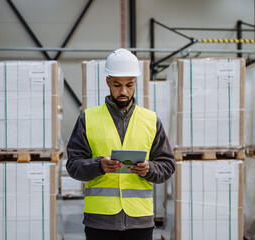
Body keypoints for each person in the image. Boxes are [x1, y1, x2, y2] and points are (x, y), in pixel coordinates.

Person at [66, 48, 175, 240]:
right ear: (108, 81)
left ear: (135, 82)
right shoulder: (87, 119)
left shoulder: (151, 120)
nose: (123, 91)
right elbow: (73, 166)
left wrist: (149, 169)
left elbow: (167, 166)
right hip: (99, 222)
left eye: (129, 85)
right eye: (117, 85)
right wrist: (98, 165)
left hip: (139, 221)